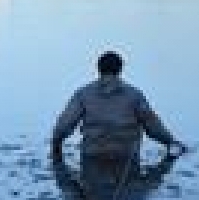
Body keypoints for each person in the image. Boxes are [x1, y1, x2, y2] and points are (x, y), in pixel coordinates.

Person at [51, 51, 187, 163]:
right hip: (126, 156)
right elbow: (153, 127)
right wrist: (172, 142)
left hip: (92, 155)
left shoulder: (83, 94)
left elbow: (64, 125)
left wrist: (56, 145)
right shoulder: (135, 95)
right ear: (120, 69)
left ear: (98, 69)